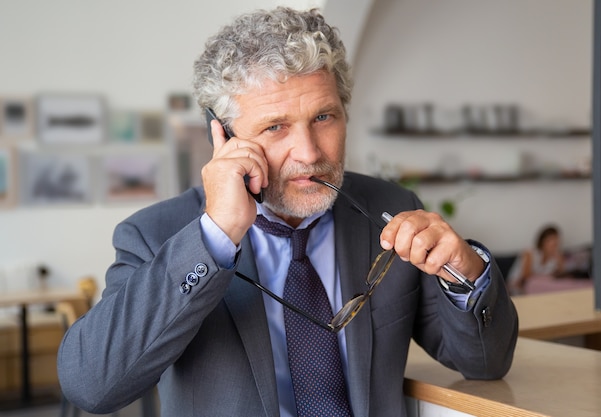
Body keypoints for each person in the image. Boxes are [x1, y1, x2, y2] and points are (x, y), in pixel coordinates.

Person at [57, 7, 518, 417]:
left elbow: (484, 362)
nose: (309, 151)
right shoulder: (155, 234)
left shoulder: (392, 209)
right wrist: (215, 235)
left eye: (324, 117)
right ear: (222, 137)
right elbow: (92, 388)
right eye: (275, 126)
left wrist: (466, 271)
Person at [507, 224, 565, 294]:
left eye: (556, 242)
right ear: (542, 241)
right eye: (550, 240)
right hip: (519, 285)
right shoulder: (530, 253)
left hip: (540, 287)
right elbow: (526, 276)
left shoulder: (554, 257)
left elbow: (560, 275)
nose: (554, 244)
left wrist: (559, 260)